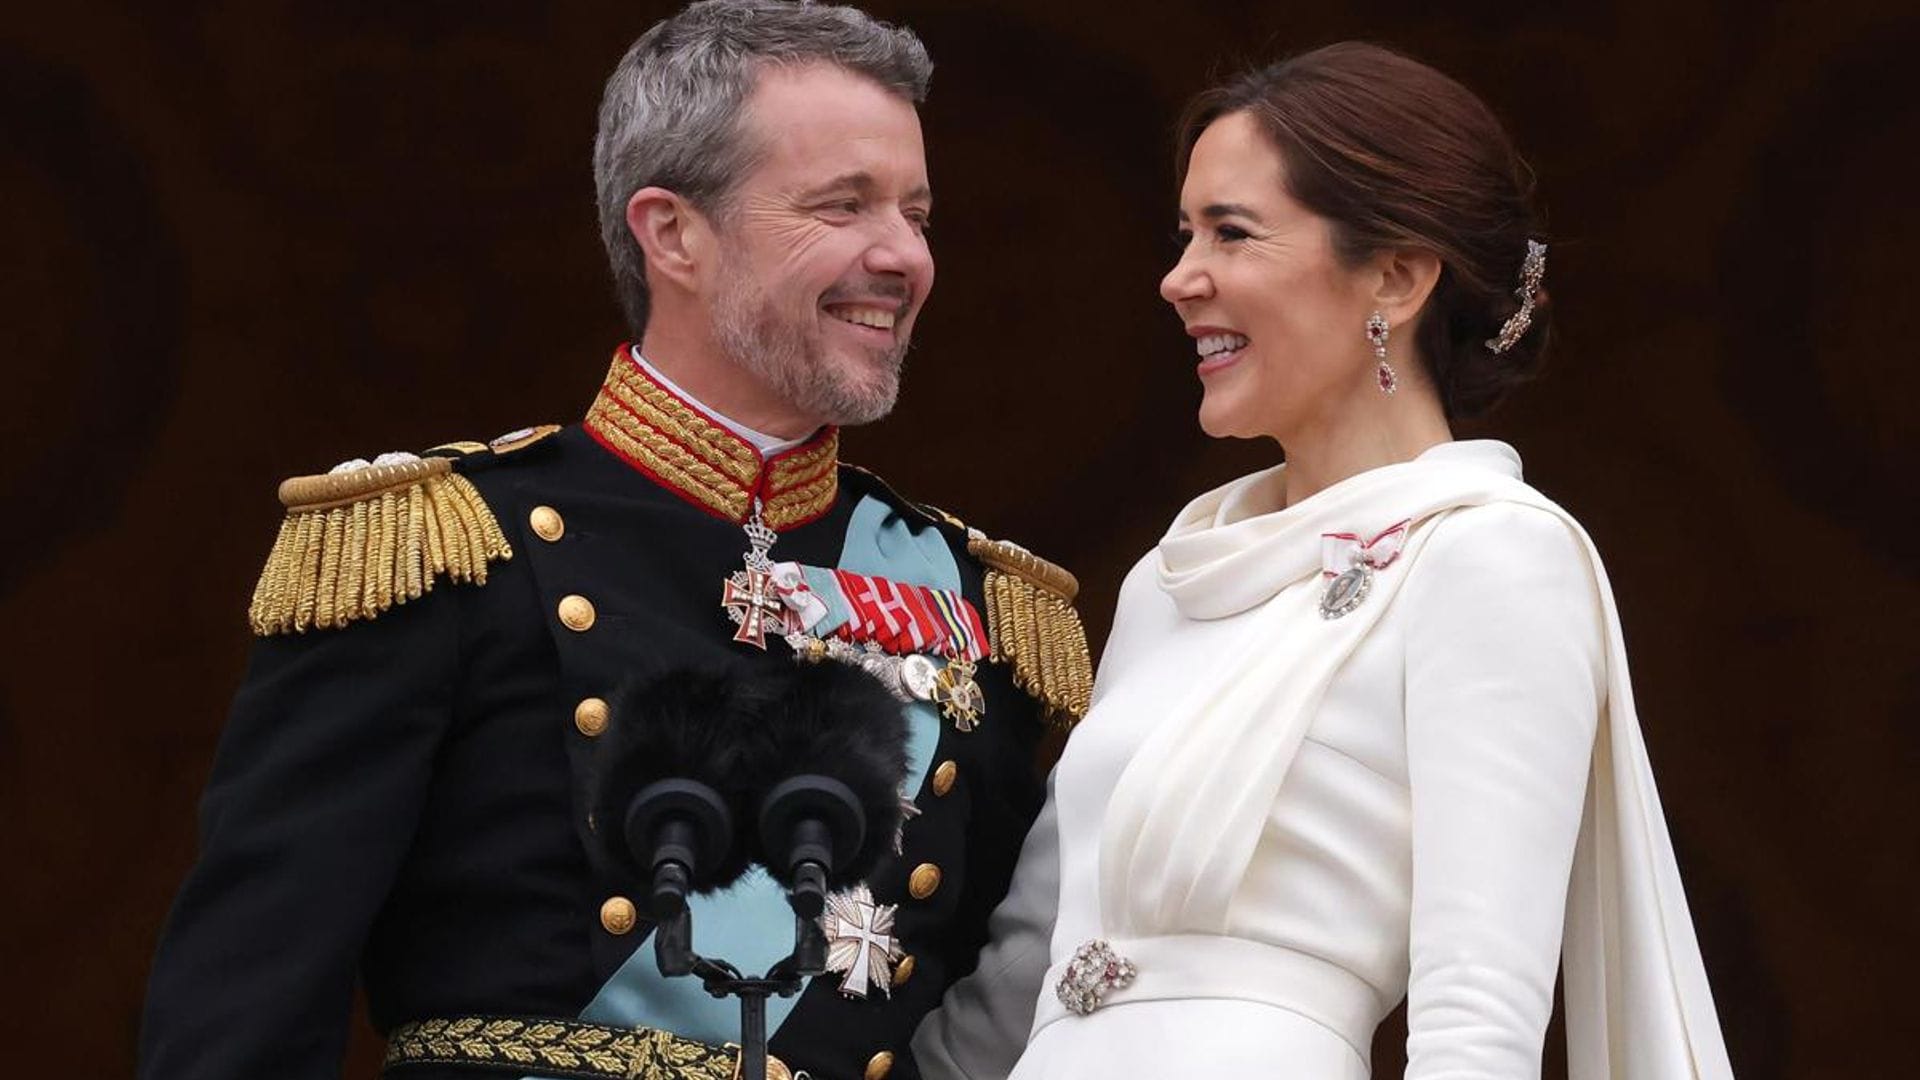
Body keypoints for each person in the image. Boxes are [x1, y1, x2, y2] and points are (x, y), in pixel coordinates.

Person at [138, 4, 1093, 1080]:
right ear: (671, 231)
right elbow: (243, 1013)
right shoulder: (450, 551)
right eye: (845, 206)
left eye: (917, 214)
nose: (904, 258)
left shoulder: (978, 602)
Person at [913, 42, 1734, 1080]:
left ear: (1395, 275)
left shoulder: (1491, 555)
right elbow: (1028, 968)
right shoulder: (1173, 577)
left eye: (1232, 233)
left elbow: (1476, 1023)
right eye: (1183, 234)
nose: (1178, 279)